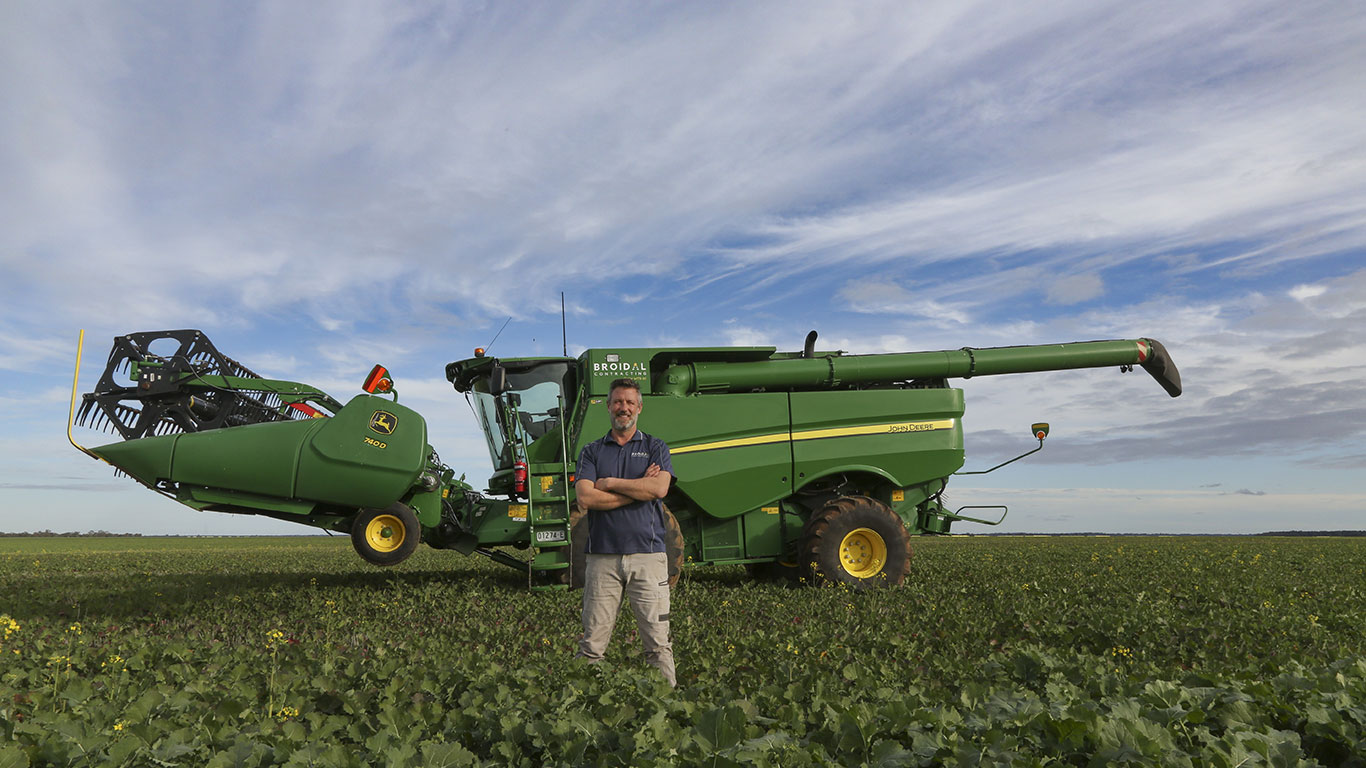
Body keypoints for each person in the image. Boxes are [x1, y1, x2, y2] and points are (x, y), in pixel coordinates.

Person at [572, 377, 676, 687]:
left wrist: (612, 483)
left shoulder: (655, 447)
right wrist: (638, 489)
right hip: (602, 559)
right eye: (618, 401)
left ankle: (670, 704)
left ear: (639, 408)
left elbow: (659, 487)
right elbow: (586, 498)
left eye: (630, 402)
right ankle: (584, 704)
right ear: (608, 407)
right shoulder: (591, 452)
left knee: (658, 644)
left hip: (649, 557)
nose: (624, 408)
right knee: (592, 645)